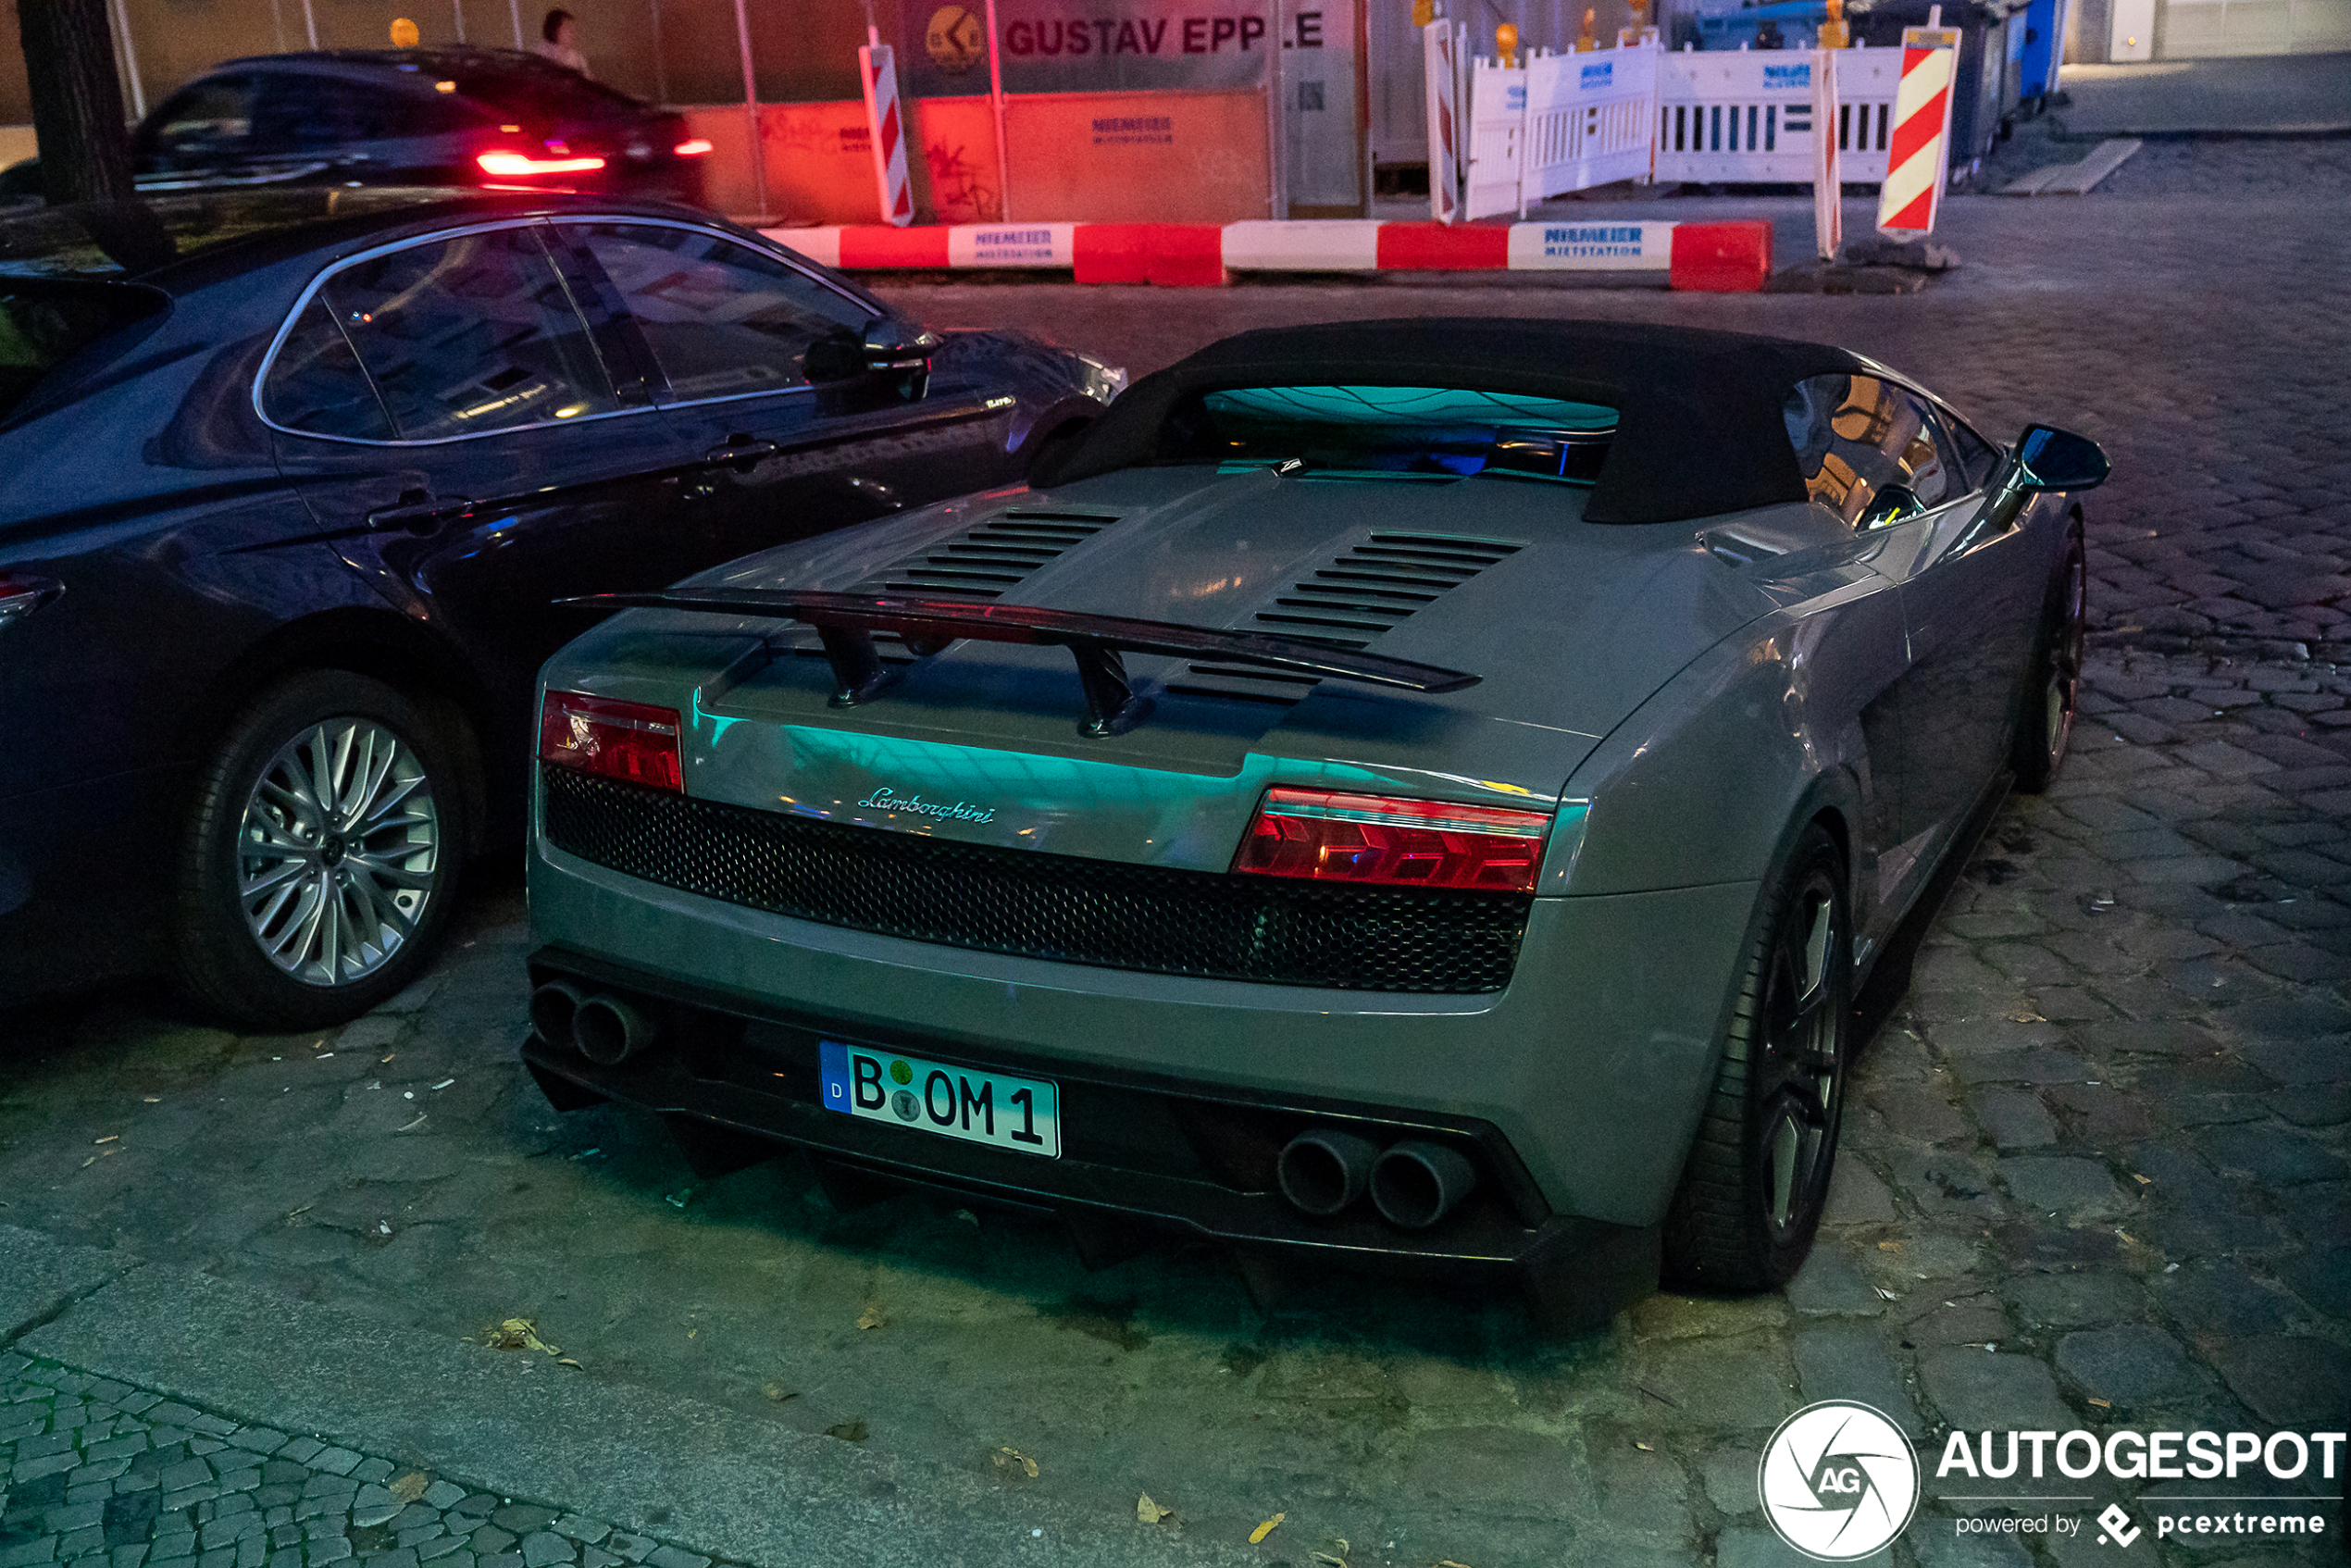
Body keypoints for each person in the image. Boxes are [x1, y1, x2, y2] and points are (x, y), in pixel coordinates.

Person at [535, 8, 591, 75]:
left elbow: (588, 81)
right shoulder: (541, 58)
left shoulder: (577, 58)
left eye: (573, 29)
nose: (573, 32)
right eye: (568, 28)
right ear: (555, 30)